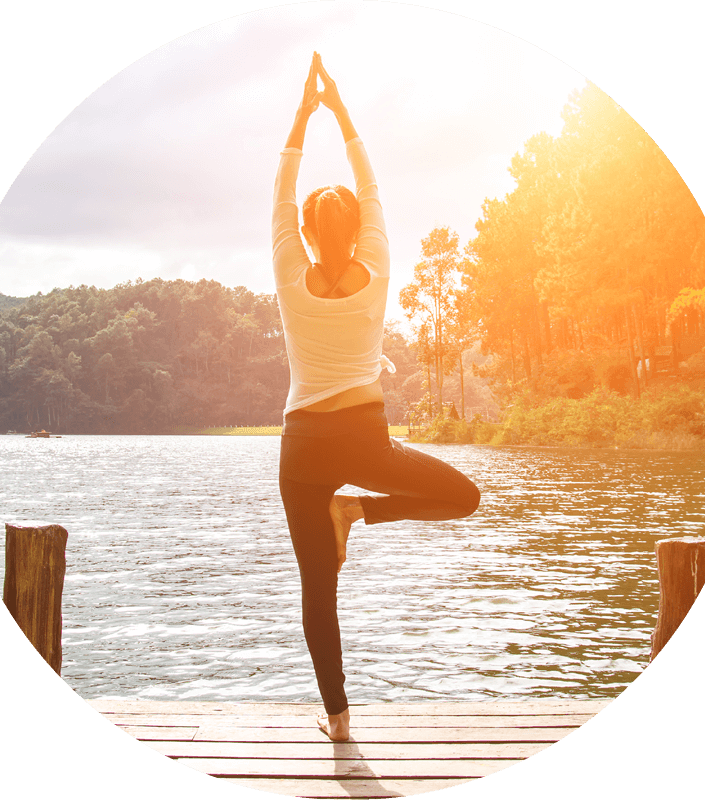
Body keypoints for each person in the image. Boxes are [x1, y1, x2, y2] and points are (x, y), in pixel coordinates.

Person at [273, 53, 480, 742]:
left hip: (302, 446)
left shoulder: (288, 271)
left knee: (316, 592)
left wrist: (303, 115)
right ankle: (358, 508)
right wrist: (339, 110)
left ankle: (337, 722)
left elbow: (281, 188)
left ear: (304, 232)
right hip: (364, 436)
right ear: (360, 229)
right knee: (464, 497)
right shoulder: (380, 266)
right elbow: (371, 184)